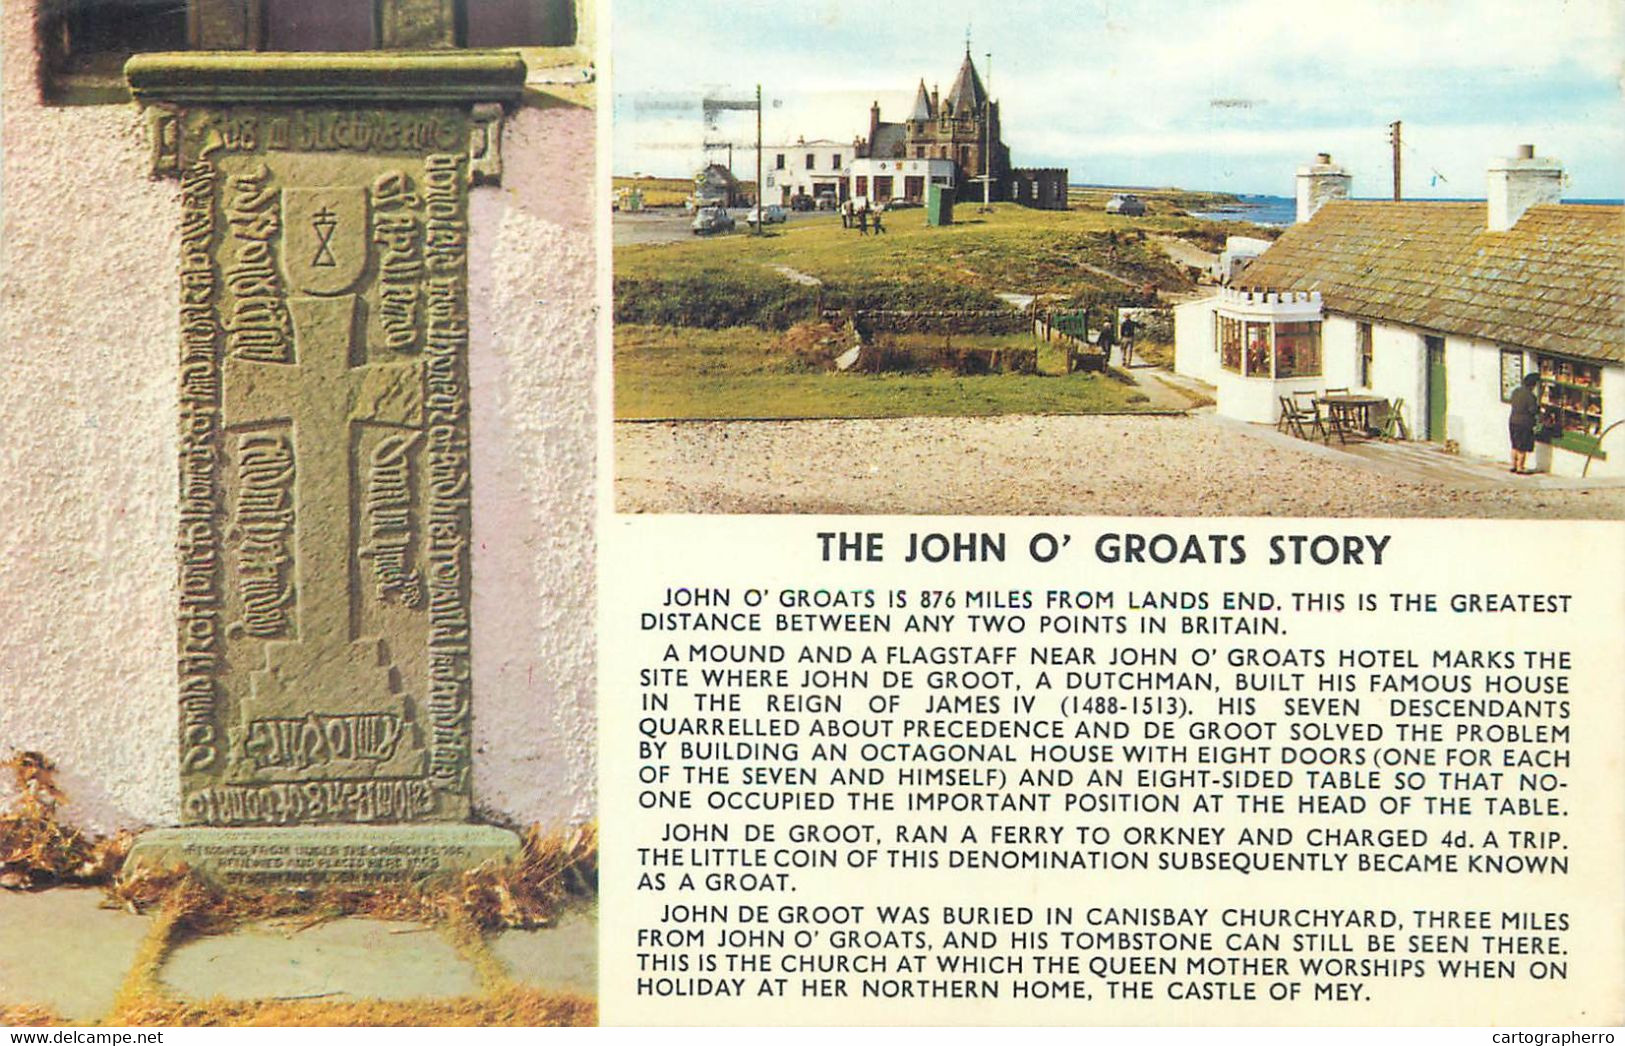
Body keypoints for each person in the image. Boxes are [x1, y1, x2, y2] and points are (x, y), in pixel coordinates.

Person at [1508, 371, 1541, 474]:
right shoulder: (1530, 396)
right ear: (1532, 385)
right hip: (1524, 423)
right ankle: (1520, 467)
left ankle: (1513, 465)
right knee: (1522, 447)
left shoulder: (1516, 391)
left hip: (1513, 420)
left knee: (1514, 445)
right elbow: (1533, 410)